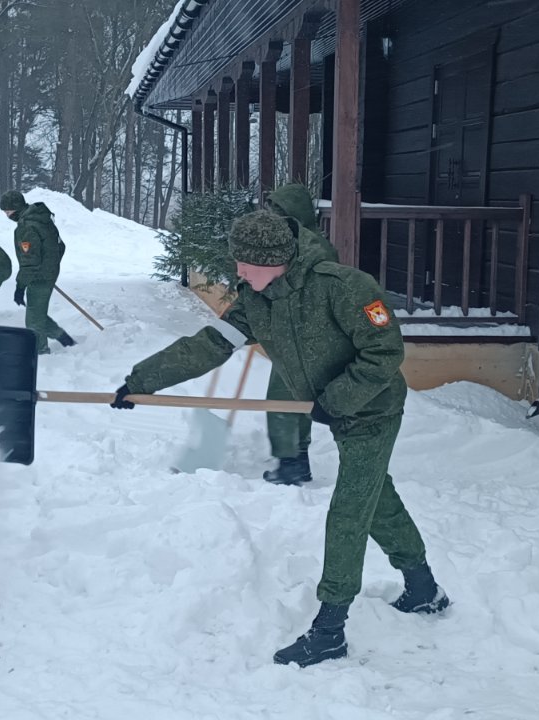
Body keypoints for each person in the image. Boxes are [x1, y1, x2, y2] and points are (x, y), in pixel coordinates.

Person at [111, 210, 449, 667]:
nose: (238, 272)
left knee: (349, 510)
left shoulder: (344, 287)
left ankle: (330, 630)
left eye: (244, 263)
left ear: (273, 261)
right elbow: (210, 344)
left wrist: (340, 398)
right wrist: (142, 381)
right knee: (375, 497)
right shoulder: (256, 300)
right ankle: (423, 587)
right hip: (337, 411)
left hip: (373, 410)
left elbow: (385, 351)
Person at [259, 184, 337, 485]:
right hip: (295, 333)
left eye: (279, 213)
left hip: (305, 336)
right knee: (290, 397)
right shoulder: (295, 244)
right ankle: (294, 461)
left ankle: (291, 464)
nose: (274, 218)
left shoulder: (312, 250)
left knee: (283, 397)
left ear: (294, 214)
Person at [0, 190, 75, 354]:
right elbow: (60, 246)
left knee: (33, 319)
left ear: (16, 208)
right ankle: (63, 338)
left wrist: (20, 287)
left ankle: (39, 351)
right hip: (46, 274)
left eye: (8, 211)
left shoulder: (26, 227)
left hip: (38, 277)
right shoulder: (42, 219)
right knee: (36, 313)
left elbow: (30, 262)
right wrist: (50, 266)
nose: (7, 215)